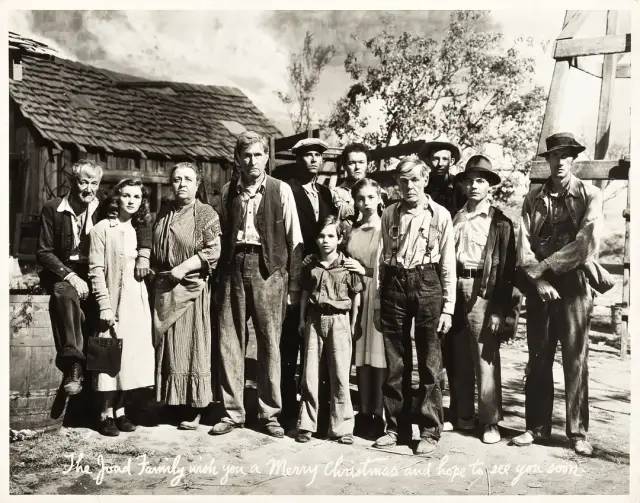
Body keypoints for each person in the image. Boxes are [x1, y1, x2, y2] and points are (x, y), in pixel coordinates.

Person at [512, 132, 601, 457]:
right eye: (555, 155)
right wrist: (537, 280)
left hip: (575, 284)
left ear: (573, 159)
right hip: (541, 287)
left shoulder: (590, 194)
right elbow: (523, 246)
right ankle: (536, 427)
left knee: (575, 359)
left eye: (566, 155)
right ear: (547, 159)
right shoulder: (533, 198)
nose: (560, 161)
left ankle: (577, 433)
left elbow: (586, 243)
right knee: (538, 358)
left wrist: (546, 266)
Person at [211, 131, 303, 438]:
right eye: (247, 155)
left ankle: (269, 414)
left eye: (258, 154)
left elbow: (295, 240)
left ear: (267, 157)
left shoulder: (280, 190)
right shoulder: (228, 191)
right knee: (230, 340)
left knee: (269, 342)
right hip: (233, 267)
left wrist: (292, 285)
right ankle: (233, 412)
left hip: (269, 271)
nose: (252, 161)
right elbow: (219, 236)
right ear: (238, 159)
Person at [36, 159, 152, 397]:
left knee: (104, 312)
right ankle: (74, 364)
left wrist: (144, 254)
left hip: (95, 269)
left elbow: (138, 219)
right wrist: (70, 276)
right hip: (64, 271)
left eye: (94, 183)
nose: (89, 189)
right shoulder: (53, 208)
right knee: (65, 294)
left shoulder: (101, 207)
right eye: (83, 182)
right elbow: (43, 252)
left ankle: (105, 390)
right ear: (72, 182)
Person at [374, 158, 456, 456]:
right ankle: (396, 428)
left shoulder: (441, 215)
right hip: (394, 284)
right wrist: (377, 301)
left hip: (428, 282)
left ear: (425, 181)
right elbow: (381, 259)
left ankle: (430, 431)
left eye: (415, 180)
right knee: (396, 361)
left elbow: (448, 264)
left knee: (430, 361)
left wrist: (448, 308)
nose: (409, 186)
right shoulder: (390, 213)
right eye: (403, 181)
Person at [450, 156, 516, 444]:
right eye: (470, 181)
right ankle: (463, 415)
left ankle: (490, 422)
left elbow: (507, 271)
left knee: (485, 355)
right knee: (459, 354)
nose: (474, 186)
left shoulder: (500, 223)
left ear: (490, 186)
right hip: (456, 286)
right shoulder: (457, 217)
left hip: (484, 289)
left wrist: (499, 309)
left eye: (480, 181)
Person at [151, 162, 221, 430]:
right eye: (177, 179)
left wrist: (183, 268)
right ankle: (172, 402)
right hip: (165, 287)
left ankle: (195, 406)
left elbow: (213, 251)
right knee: (169, 347)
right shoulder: (165, 211)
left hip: (191, 289)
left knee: (191, 346)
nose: (182, 184)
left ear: (198, 184)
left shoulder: (204, 213)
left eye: (188, 179)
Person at [88, 179, 156, 436]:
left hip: (136, 298)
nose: (131, 201)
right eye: (126, 195)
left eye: (136, 197)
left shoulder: (139, 228)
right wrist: (104, 306)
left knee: (130, 356)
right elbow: (96, 270)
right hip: (114, 299)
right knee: (109, 355)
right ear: (117, 198)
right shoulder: (102, 229)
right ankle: (104, 413)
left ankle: (121, 409)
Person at [280, 138, 339, 430]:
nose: (314, 160)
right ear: (298, 159)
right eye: (308, 155)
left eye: (318, 155)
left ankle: (319, 411)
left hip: (321, 276)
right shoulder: (286, 189)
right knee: (290, 340)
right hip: (293, 271)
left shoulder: (326, 193)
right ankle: (288, 409)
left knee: (318, 345)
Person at [296, 215, 363, 444]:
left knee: (340, 374)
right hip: (315, 319)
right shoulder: (311, 265)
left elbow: (356, 296)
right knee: (310, 374)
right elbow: (305, 293)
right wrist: (302, 320)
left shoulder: (348, 265)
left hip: (339, 321)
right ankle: (307, 424)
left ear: (340, 238)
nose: (326, 240)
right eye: (321, 236)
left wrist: (353, 324)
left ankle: (343, 428)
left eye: (331, 236)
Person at [420, 139, 465, 432]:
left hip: (453, 265)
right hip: (426, 271)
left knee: (454, 344)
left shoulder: (458, 189)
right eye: (435, 159)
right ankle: (430, 405)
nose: (439, 164)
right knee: (431, 343)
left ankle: (459, 408)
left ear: (452, 161)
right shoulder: (422, 188)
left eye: (444, 159)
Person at [343, 178, 386, 439]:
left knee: (377, 353)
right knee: (360, 351)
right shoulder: (353, 230)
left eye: (371, 197)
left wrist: (365, 270)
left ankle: (379, 412)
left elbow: (385, 267)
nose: (366, 203)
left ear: (379, 198)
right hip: (355, 295)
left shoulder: (385, 228)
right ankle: (364, 410)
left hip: (377, 292)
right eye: (361, 198)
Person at [332, 142, 370, 223]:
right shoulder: (335, 194)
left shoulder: (379, 193)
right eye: (352, 163)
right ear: (344, 166)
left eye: (361, 162)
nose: (357, 167)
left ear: (367, 164)